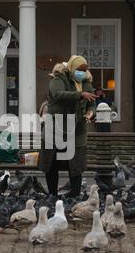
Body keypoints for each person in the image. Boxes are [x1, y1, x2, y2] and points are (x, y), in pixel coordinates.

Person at [38, 55, 98, 197]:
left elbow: (92, 103)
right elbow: (57, 94)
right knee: (51, 163)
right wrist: (80, 94)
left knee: (76, 163)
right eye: (79, 69)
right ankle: (52, 194)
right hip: (55, 129)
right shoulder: (58, 78)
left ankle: (74, 194)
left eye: (85, 69)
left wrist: (90, 113)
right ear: (71, 68)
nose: (82, 72)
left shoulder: (86, 82)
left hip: (77, 129)